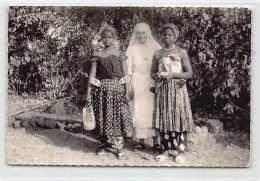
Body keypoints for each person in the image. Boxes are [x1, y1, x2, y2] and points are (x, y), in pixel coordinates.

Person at [86, 25, 133, 160]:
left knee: (117, 118)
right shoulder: (98, 55)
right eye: (104, 37)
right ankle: (103, 144)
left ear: (114, 38)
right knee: (102, 116)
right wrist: (88, 92)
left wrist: (127, 91)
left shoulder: (120, 54)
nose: (107, 40)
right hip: (100, 91)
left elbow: (126, 74)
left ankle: (119, 148)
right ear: (101, 39)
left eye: (109, 37)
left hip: (117, 89)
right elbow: (93, 74)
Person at [151, 23, 194, 162]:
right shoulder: (157, 53)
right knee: (164, 119)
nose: (167, 37)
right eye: (164, 35)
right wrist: (156, 75)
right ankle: (164, 151)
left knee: (178, 118)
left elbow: (189, 73)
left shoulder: (181, 52)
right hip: (163, 90)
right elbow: (151, 73)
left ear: (175, 37)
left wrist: (173, 75)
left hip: (177, 90)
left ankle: (180, 152)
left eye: (170, 35)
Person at [126, 22, 162, 152]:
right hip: (137, 82)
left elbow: (162, 65)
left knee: (153, 111)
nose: (141, 35)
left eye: (143, 33)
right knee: (139, 111)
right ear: (135, 34)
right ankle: (140, 141)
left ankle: (156, 142)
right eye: (138, 33)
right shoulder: (132, 48)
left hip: (152, 82)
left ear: (148, 33)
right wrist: (129, 87)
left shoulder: (156, 48)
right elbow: (128, 70)